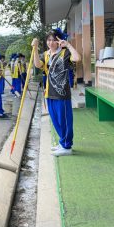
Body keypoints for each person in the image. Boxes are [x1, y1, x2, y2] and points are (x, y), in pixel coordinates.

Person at [32, 29, 81, 157]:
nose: (51, 42)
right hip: (49, 92)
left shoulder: (65, 53)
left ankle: (67, 146)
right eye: (49, 40)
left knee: (64, 120)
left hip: (62, 93)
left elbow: (77, 58)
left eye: (54, 40)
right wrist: (35, 48)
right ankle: (62, 142)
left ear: (59, 41)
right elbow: (38, 65)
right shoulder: (46, 54)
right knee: (55, 120)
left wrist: (68, 45)